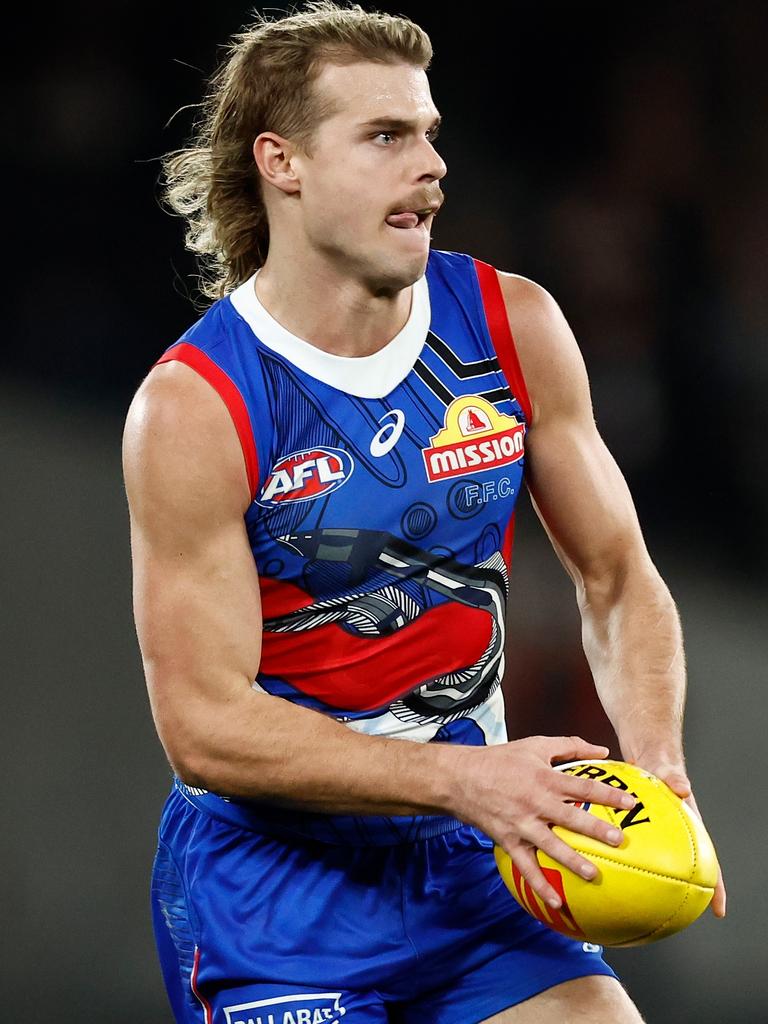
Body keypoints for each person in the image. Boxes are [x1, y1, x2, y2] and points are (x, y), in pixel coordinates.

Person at [122, 3, 725, 1022]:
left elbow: (619, 578)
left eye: (432, 133)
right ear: (284, 162)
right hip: (274, 893)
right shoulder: (195, 406)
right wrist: (464, 780)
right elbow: (205, 726)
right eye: (387, 135)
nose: (432, 165)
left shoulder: (512, 324)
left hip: (470, 859)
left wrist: (657, 764)